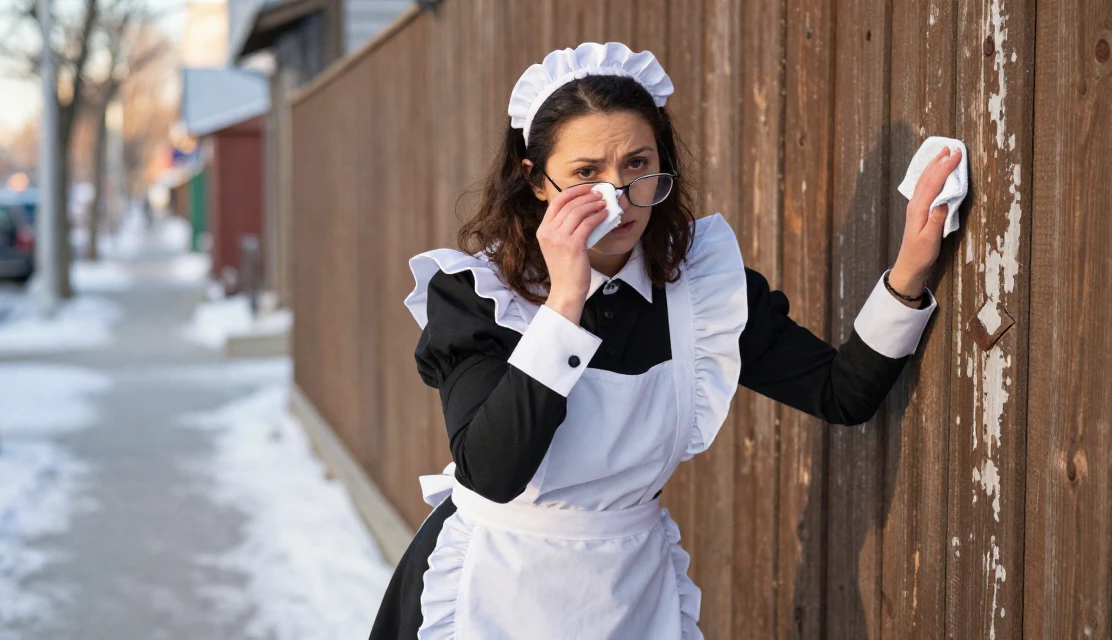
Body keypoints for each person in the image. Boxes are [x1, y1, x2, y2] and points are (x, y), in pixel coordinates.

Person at [370, 42, 961, 639]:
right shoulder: (477, 294)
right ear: (537, 181)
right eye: (585, 173)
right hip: (489, 591)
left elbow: (841, 393)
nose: (619, 195)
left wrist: (909, 270)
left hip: (630, 597)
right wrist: (564, 305)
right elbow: (490, 474)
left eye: (636, 165)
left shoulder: (699, 291)